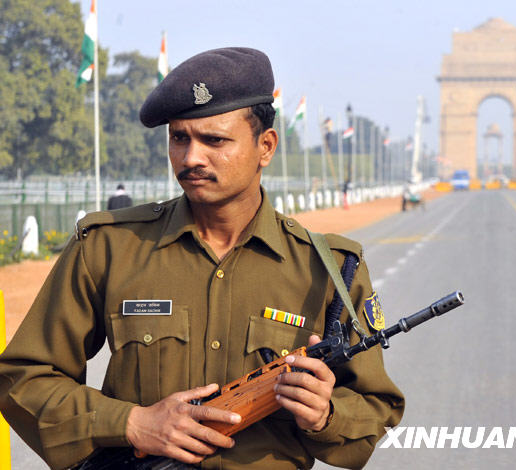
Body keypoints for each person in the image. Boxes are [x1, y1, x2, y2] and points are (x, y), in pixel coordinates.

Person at [0, 47, 403, 470]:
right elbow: (24, 377)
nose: (191, 158)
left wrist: (325, 414)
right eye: (179, 138)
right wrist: (132, 422)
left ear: (265, 146)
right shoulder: (109, 248)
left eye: (214, 140)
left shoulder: (330, 270)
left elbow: (375, 411)